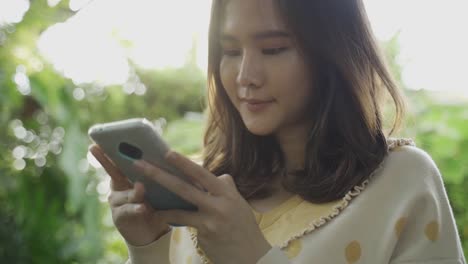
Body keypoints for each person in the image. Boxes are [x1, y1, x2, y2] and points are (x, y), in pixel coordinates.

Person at [90, 0, 466, 263]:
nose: (245, 77)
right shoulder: (205, 187)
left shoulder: (403, 181)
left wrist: (254, 258)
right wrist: (148, 247)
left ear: (332, 53)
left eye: (272, 49)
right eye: (230, 51)